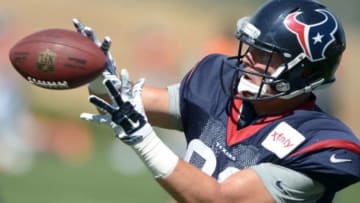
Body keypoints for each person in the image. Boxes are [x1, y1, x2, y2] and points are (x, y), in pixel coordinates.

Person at [76, 0, 360, 202]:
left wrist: (143, 139)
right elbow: (115, 101)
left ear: (305, 71)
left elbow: (221, 200)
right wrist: (99, 74)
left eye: (264, 55)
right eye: (251, 48)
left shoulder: (319, 143)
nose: (248, 59)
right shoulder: (218, 85)